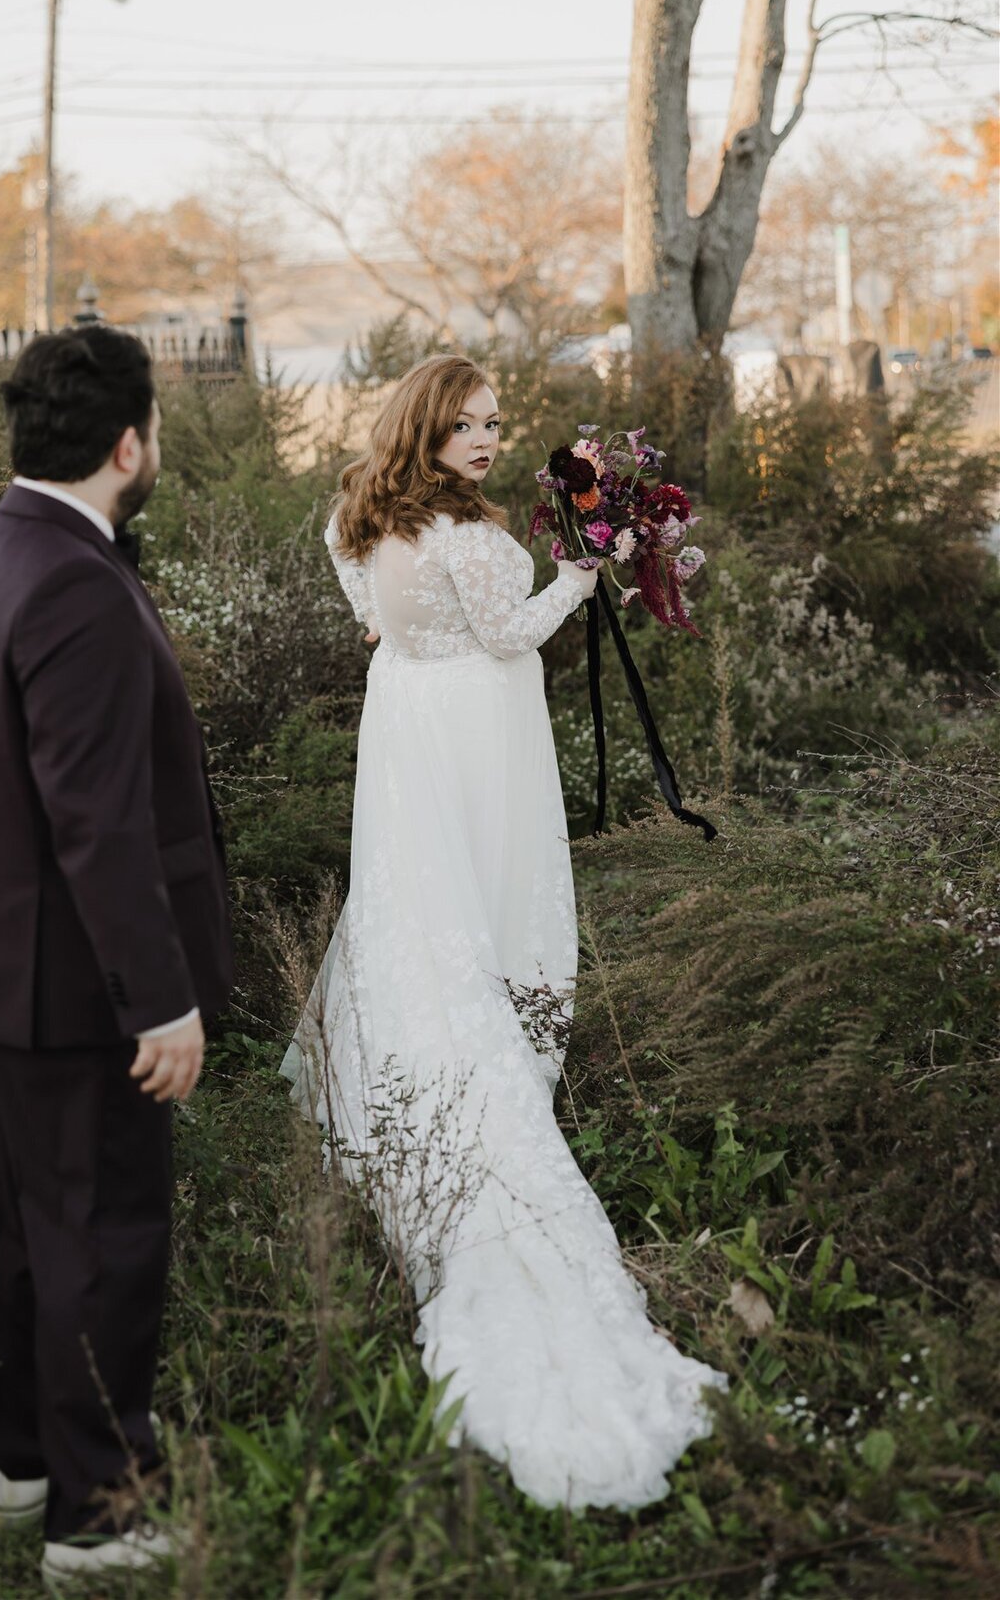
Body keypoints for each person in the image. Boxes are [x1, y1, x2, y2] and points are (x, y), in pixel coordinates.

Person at [281, 353, 726, 1510]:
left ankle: (399, 1069)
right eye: (468, 424)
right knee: (487, 902)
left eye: (494, 422)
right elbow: (516, 631)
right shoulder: (476, 541)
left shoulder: (351, 514)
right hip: (478, 731)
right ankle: (500, 1069)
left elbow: (362, 606)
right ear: (426, 426)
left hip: (408, 728)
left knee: (418, 905)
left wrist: (402, 635)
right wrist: (591, 567)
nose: (488, 438)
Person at [0, 326, 233, 1587]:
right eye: (153, 431)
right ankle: (100, 1516)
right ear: (130, 443)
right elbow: (97, 821)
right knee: (101, 1241)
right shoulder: (73, 584)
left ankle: (23, 1468)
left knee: (17, 1235)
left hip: (0, 976)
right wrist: (159, 1001)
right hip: (79, 995)